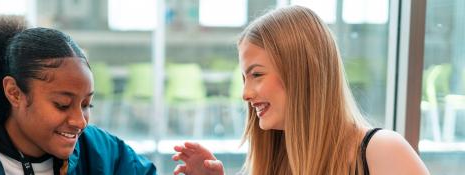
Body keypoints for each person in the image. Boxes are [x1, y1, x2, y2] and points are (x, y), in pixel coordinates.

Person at [172, 6, 429, 175]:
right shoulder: (273, 163)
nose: (245, 94)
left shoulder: (382, 151)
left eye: (257, 74)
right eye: (244, 78)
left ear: (302, 73)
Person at [0, 16, 156, 175]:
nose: (80, 121)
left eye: (86, 104)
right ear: (14, 93)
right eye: (62, 105)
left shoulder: (100, 151)